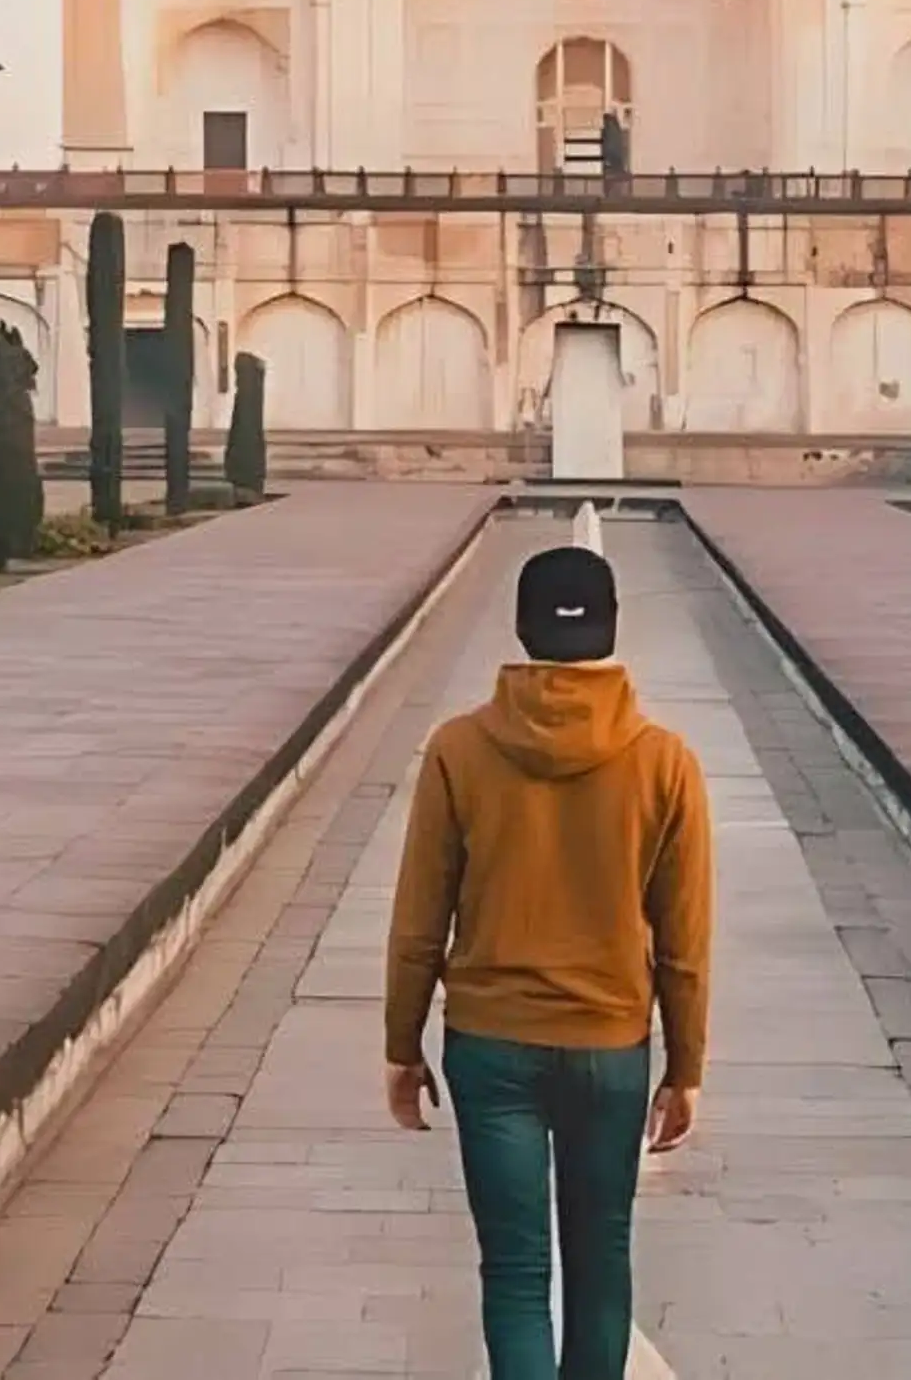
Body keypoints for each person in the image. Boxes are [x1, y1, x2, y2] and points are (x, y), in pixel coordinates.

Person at [383, 531, 713, 1380]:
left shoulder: (459, 749)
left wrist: (400, 1042)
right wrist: (686, 1064)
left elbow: (420, 914)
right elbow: (684, 939)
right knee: (601, 1264)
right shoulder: (664, 760)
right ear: (610, 628)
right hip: (609, 1044)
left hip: (490, 1044)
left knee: (518, 1272)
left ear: (523, 631)